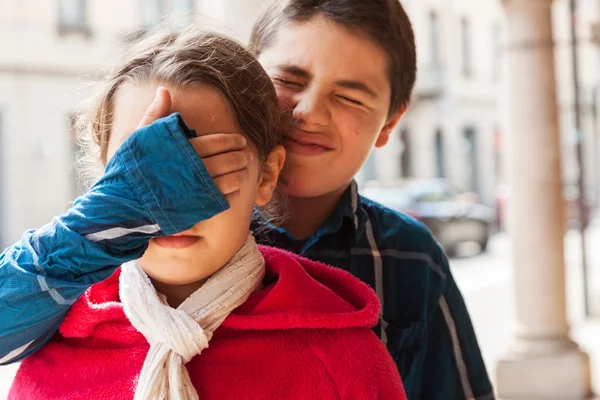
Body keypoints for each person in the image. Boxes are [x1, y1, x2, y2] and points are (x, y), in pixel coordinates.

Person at [4, 28, 406, 399]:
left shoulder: (343, 363)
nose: (170, 209)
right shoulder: (50, 346)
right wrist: (111, 215)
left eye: (207, 168)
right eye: (138, 171)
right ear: (103, 181)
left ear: (266, 174)